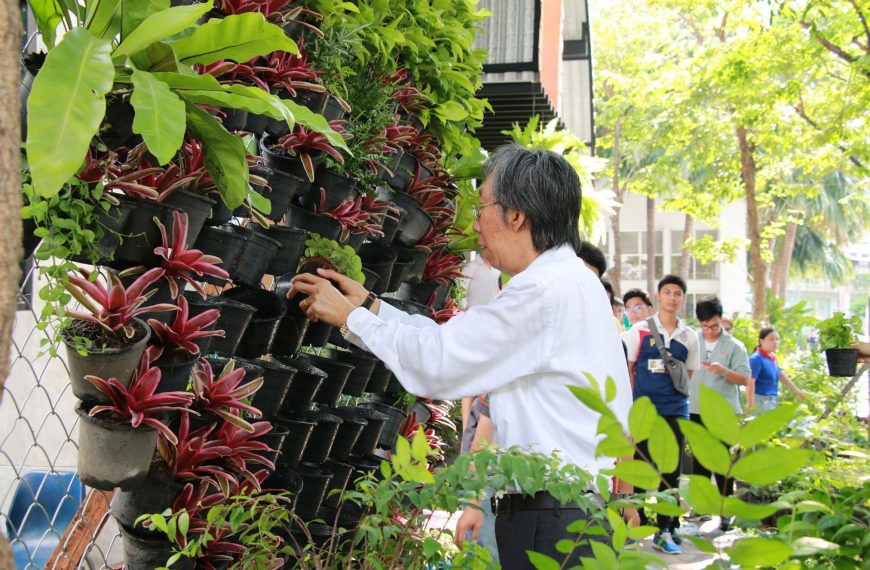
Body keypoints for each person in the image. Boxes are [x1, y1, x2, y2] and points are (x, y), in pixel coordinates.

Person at [290, 144, 634, 569]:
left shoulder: (542, 292)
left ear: (516, 215)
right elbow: (452, 343)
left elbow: (439, 364)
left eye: (482, 206)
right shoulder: (570, 283)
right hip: (573, 514)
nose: (475, 224)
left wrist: (350, 319)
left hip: (552, 520)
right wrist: (370, 309)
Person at [621, 274, 700, 555]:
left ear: (682, 299)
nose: (672, 297)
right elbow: (628, 370)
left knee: (671, 474)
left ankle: (665, 530)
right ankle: (634, 526)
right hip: (644, 413)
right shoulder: (638, 331)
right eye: (667, 292)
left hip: (676, 412)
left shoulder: (689, 336)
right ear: (658, 295)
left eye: (678, 293)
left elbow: (687, 375)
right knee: (640, 470)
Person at [690, 297, 753, 531]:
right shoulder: (691, 341)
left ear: (720, 320)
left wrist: (725, 371)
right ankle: (700, 507)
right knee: (699, 460)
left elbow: (745, 379)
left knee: (722, 462)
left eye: (714, 325)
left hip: (723, 412)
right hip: (695, 408)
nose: (710, 330)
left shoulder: (735, 346)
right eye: (705, 326)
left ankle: (725, 511)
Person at [749, 328, 805, 412]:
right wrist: (751, 404)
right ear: (761, 341)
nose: (775, 342)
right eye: (771, 339)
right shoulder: (756, 358)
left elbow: (780, 375)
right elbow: (750, 382)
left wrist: (796, 391)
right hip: (760, 400)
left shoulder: (772, 357)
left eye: (777, 339)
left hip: (772, 400)